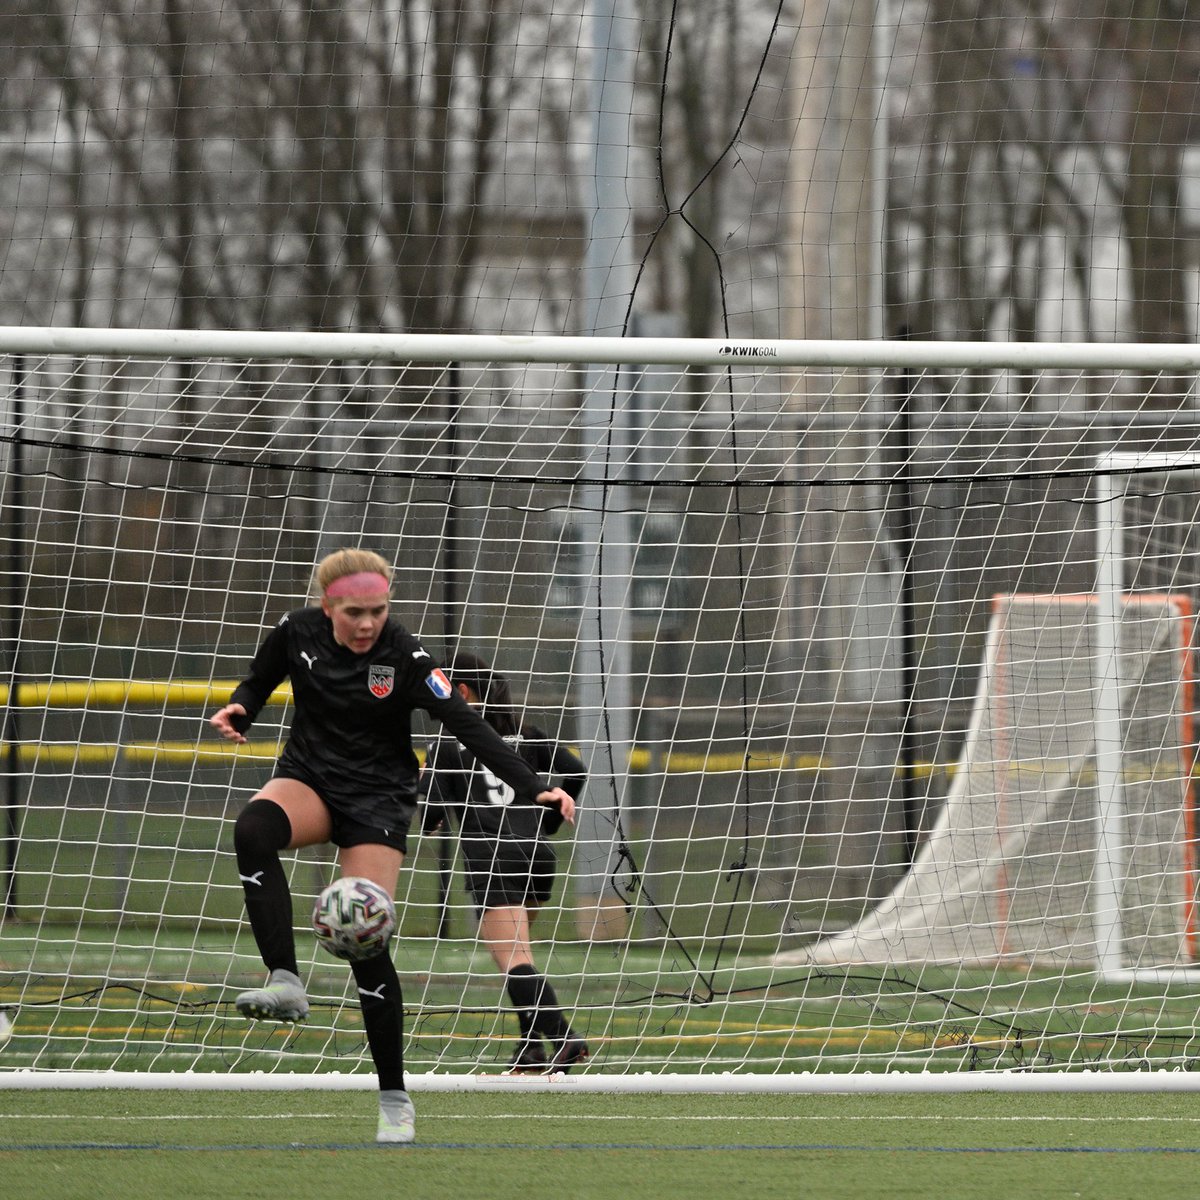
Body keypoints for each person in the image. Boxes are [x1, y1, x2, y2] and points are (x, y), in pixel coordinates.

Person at [209, 550, 575, 1144]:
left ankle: (393, 1098)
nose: (367, 623)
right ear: (328, 606)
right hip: (309, 778)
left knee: (365, 938)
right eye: (354, 612)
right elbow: (259, 679)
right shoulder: (295, 632)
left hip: (377, 800)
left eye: (378, 611)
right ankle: (286, 980)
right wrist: (242, 709)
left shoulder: (405, 656)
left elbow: (469, 724)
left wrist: (534, 785)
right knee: (252, 830)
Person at [420, 651, 589, 1074]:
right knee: (522, 956)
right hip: (536, 854)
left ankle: (563, 1037)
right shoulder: (527, 736)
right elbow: (576, 771)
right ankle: (530, 1049)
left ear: (461, 693)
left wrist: (425, 796)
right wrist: (547, 822)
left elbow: (429, 815)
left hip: (490, 856)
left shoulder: (446, 744)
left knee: (514, 960)